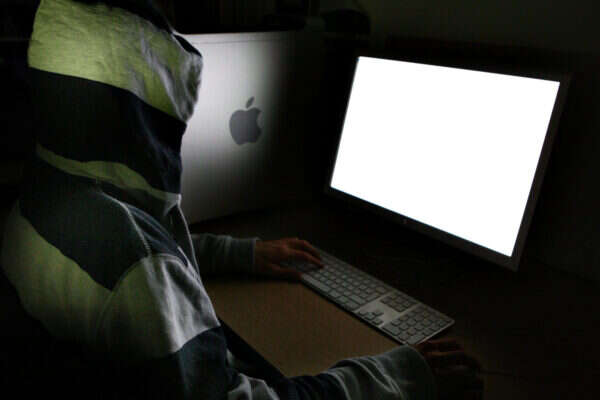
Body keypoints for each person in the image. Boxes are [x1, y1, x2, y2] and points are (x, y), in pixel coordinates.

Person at [1, 0, 483, 398]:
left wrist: (242, 254)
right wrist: (397, 375)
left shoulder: (44, 196)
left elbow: (146, 240)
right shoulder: (139, 270)